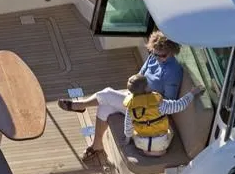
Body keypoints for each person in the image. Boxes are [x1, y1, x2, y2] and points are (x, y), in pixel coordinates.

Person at [57, 30, 184, 161]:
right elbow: (140, 75)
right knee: (105, 107)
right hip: (136, 96)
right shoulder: (153, 57)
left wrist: (146, 97)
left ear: (172, 51)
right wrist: (134, 90)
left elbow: (168, 100)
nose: (157, 58)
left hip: (148, 110)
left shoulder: (173, 71)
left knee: (107, 94)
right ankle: (97, 145)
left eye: (162, 56)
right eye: (154, 53)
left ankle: (80, 105)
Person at [122, 74, 204, 156]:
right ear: (146, 87)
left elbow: (128, 126)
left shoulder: (130, 107)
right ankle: (159, 151)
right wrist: (192, 93)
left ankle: (147, 150)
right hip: (161, 143)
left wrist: (127, 139)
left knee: (134, 131)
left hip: (141, 143)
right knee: (170, 129)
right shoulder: (159, 104)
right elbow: (180, 105)